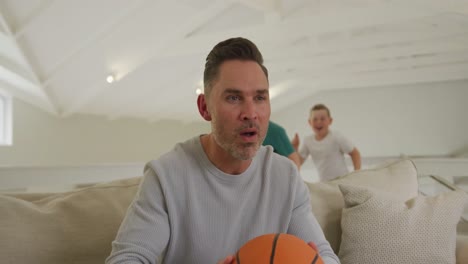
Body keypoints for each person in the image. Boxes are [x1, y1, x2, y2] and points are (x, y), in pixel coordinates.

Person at [106, 38, 340, 264]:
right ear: (204, 107)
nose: (250, 113)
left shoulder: (285, 176)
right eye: (233, 97)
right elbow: (126, 259)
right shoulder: (166, 176)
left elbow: (326, 256)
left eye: (260, 97)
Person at [292, 104, 361, 181]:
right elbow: (298, 162)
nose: (319, 122)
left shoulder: (336, 136)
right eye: (315, 119)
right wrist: (295, 148)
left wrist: (356, 175)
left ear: (330, 121)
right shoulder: (308, 141)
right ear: (309, 122)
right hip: (324, 183)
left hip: (343, 180)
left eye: (322, 119)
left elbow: (355, 153)